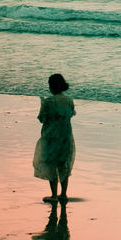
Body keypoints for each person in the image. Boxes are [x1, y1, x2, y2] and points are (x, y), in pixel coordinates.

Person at [33, 72, 76, 203]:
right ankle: (63, 194)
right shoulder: (69, 100)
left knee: (51, 164)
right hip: (66, 136)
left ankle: (54, 195)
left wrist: (42, 105)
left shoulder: (49, 102)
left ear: (51, 86)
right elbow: (70, 114)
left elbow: (42, 119)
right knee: (64, 164)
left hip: (51, 136)